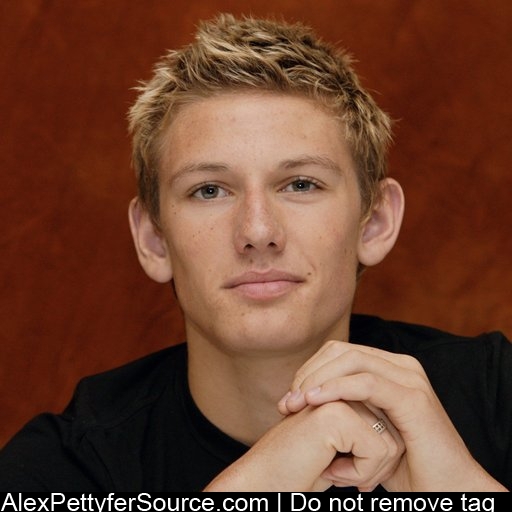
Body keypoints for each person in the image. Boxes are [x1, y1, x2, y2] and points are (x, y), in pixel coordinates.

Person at [0, 14, 510, 492]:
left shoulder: (494, 394)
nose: (258, 231)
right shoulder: (67, 465)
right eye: (209, 190)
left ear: (374, 222)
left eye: (301, 184)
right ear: (154, 239)